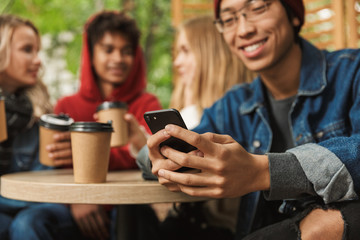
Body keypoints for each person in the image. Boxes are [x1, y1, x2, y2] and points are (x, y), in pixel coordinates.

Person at [145, 0, 360, 239]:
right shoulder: (235, 104)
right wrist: (160, 155)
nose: (244, 30)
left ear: (294, 15)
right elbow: (194, 140)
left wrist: (263, 172)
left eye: (258, 8)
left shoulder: (353, 73)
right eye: (229, 19)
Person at [10, 10, 162, 240]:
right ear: (91, 53)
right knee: (29, 223)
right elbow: (55, 164)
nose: (118, 59)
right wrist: (78, 198)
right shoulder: (67, 106)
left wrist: (84, 156)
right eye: (108, 49)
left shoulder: (147, 104)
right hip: (72, 206)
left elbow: (151, 158)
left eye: (127, 51)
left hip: (127, 206)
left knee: (137, 218)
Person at [136, 15, 255, 240]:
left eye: (185, 51)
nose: (177, 62)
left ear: (210, 55)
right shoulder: (196, 111)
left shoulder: (235, 110)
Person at [0, 14, 53, 239]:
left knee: (26, 225)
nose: (38, 60)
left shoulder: (40, 109)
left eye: (37, 51)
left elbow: (47, 185)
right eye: (27, 49)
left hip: (36, 205)